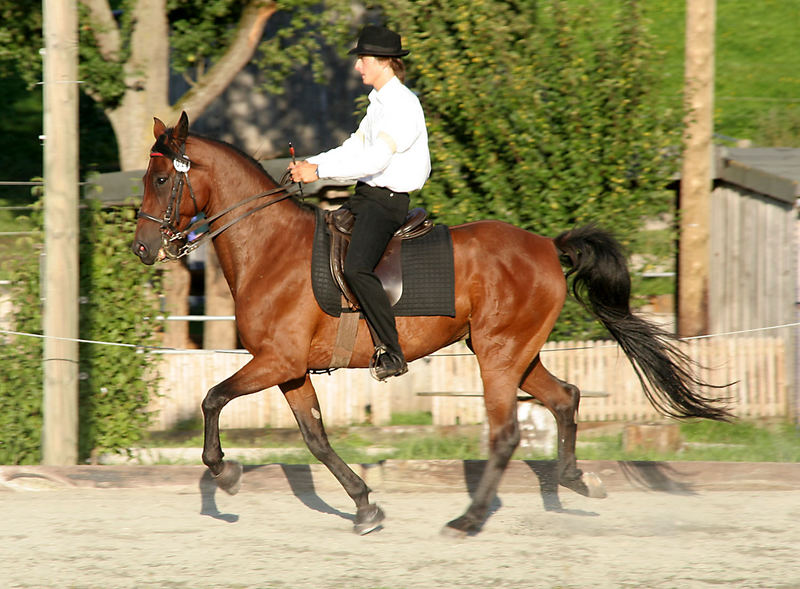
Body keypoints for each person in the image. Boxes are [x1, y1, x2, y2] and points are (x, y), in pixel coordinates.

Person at [289, 24, 431, 380]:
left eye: (363, 59)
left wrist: (318, 170)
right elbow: (353, 148)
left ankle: (392, 351)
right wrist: (310, 163)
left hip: (386, 203)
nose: (358, 67)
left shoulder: (401, 106)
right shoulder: (379, 103)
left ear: (384, 61)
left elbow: (374, 162)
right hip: (365, 197)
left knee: (356, 268)